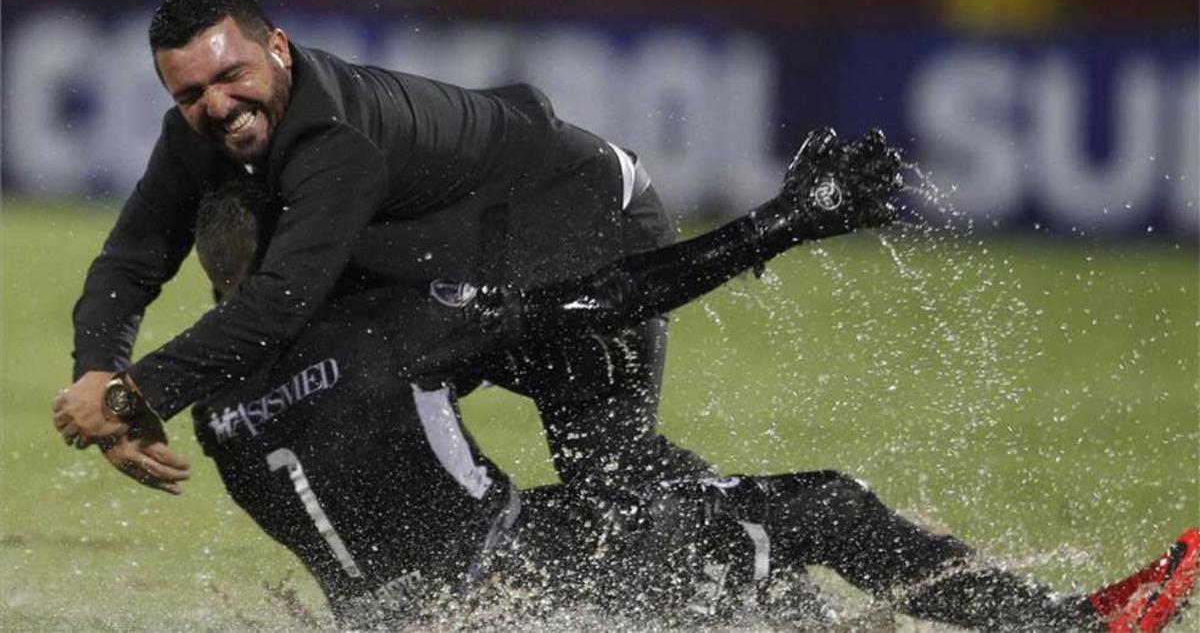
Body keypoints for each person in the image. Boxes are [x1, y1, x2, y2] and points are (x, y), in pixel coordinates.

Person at [110, 136, 1197, 632]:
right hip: (516, 604)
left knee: (708, 538)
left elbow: (373, 443)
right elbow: (607, 301)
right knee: (813, 509)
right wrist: (789, 222)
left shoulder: (213, 408)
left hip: (399, 616)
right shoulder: (393, 322)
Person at [52, 0, 714, 507]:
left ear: (278, 47)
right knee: (346, 392)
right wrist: (99, 371)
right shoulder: (195, 139)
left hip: (584, 227)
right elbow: (131, 259)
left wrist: (126, 399)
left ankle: (781, 558)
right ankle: (455, 581)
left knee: (613, 478)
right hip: (464, 255)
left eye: (231, 76)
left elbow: (279, 301)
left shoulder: (337, 140)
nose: (218, 105)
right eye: (191, 92)